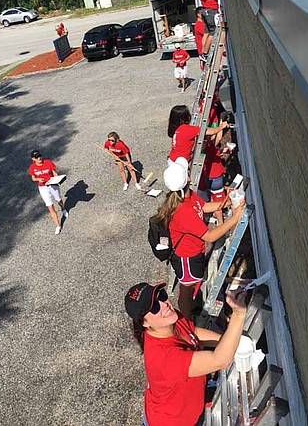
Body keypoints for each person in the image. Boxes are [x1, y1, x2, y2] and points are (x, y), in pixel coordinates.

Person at [124, 281, 247, 426]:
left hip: (183, 409)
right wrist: (238, 315)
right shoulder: (163, 358)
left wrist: (226, 340)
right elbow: (219, 360)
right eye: (154, 307)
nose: (164, 305)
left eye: (161, 296)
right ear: (144, 323)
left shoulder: (171, 320)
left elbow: (192, 333)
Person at [156, 157, 245, 319]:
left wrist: (227, 200)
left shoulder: (188, 196)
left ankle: (189, 311)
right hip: (187, 257)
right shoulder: (183, 211)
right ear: (187, 178)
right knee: (186, 290)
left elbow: (203, 207)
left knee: (191, 285)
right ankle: (186, 319)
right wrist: (235, 218)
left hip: (193, 252)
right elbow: (210, 236)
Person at [28, 150, 68, 235]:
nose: (39, 158)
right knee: (50, 207)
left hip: (52, 185)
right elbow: (33, 178)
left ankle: (63, 209)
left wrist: (57, 177)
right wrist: (38, 179)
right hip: (43, 188)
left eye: (40, 156)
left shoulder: (48, 162)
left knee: (59, 199)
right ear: (33, 158)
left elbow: (54, 172)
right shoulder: (32, 167)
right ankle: (58, 226)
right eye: (36, 157)